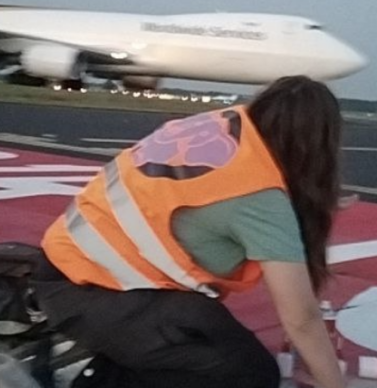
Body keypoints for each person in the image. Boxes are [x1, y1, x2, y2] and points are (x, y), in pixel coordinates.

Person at [32, 75, 346, 388]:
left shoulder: (225, 127)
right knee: (249, 376)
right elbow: (301, 318)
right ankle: (84, 368)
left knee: (213, 330)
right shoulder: (258, 196)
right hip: (90, 292)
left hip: (70, 265)